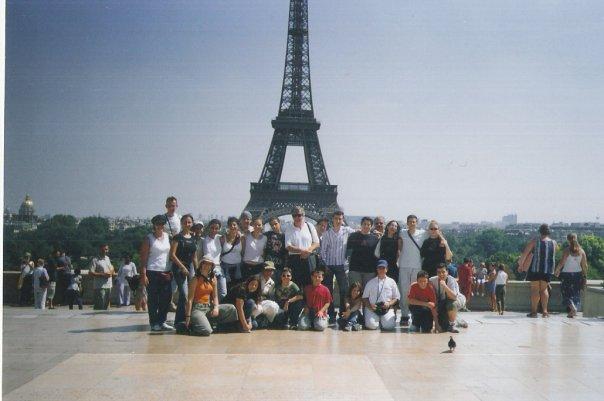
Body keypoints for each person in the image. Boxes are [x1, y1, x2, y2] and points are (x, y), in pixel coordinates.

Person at [185, 255, 238, 336]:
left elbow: (215, 296)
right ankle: (196, 326)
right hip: (198, 309)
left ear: (212, 266)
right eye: (204, 263)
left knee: (231, 309)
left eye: (209, 264)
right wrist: (188, 317)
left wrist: (216, 307)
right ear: (201, 265)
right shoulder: (195, 279)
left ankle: (215, 325)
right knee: (206, 331)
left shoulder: (213, 279)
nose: (206, 266)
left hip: (209, 307)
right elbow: (190, 300)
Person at [140, 214, 174, 332]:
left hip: (165, 271)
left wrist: (171, 272)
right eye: (158, 224)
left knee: (166, 298)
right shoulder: (148, 238)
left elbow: (171, 255)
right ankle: (154, 322)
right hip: (152, 272)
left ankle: (162, 321)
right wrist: (143, 275)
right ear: (154, 225)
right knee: (154, 299)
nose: (160, 226)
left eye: (162, 224)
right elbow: (143, 258)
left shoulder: (167, 237)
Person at [321, 210, 356, 322]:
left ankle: (342, 313)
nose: (338, 221)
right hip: (329, 265)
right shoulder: (327, 234)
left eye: (340, 219)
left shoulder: (347, 231)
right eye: (336, 218)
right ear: (333, 219)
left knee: (344, 291)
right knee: (328, 291)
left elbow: (360, 232)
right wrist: (325, 265)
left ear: (342, 219)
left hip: (342, 265)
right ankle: (331, 314)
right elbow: (323, 251)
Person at [519, 224, 557, 318]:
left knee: (535, 289)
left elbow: (525, 254)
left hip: (535, 268)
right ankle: (545, 311)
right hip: (547, 269)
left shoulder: (535, 241)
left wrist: (521, 265)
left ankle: (534, 312)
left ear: (540, 231)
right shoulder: (554, 243)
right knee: (544, 289)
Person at [398, 214, 428, 327]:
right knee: (404, 291)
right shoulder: (402, 232)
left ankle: (415, 314)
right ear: (407, 223)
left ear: (417, 223)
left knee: (415, 292)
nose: (412, 223)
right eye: (410, 221)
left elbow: (435, 232)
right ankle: (405, 315)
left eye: (414, 222)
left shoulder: (423, 233)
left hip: (416, 266)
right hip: (404, 265)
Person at [170, 214, 198, 333]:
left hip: (189, 267)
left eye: (189, 222)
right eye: (186, 222)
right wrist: (181, 267)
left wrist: (198, 272)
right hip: (178, 267)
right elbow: (172, 255)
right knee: (184, 294)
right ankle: (182, 320)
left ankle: (180, 320)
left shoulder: (192, 238)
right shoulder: (177, 237)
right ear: (182, 223)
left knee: (188, 295)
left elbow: (194, 257)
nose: (188, 224)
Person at [284, 206, 320, 288]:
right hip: (295, 260)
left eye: (299, 215)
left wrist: (308, 251)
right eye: (294, 215)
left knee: (311, 284)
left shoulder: (310, 226)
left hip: (309, 258)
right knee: (296, 284)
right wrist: (303, 251)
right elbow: (288, 246)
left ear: (303, 215)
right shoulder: (289, 228)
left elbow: (317, 242)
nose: (297, 217)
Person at [554, 233, 588, 318]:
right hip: (578, 274)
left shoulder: (567, 250)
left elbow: (562, 262)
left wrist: (557, 270)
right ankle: (573, 310)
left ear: (568, 240)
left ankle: (573, 308)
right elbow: (585, 266)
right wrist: (585, 276)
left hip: (567, 274)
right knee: (575, 293)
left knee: (566, 292)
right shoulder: (582, 251)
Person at [362, 259, 400, 331]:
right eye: (379, 268)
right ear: (377, 269)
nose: (381, 270)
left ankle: (384, 320)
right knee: (371, 326)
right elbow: (364, 298)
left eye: (383, 268)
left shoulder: (392, 282)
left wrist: (389, 304)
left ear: (387, 269)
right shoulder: (370, 282)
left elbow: (396, 297)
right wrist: (370, 306)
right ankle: (377, 321)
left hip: (386, 308)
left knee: (389, 327)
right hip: (372, 308)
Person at [430, 263, 463, 333]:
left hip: (457, 300)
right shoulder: (433, 280)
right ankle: (458, 320)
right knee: (444, 325)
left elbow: (454, 297)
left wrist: (445, 286)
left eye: (443, 272)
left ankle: (452, 325)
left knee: (451, 304)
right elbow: (422, 281)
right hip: (443, 301)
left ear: (447, 272)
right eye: (439, 272)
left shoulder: (451, 280)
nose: (441, 274)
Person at [347, 217, 379, 287]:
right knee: (355, 292)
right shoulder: (353, 236)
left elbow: (377, 255)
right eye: (364, 224)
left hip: (369, 271)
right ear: (361, 225)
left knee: (367, 294)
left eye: (368, 224)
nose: (366, 226)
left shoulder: (375, 239)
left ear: (371, 226)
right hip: (355, 269)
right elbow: (348, 252)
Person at [203, 219, 226, 300]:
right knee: (211, 292)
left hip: (219, 267)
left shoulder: (220, 238)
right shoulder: (205, 240)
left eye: (216, 228)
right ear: (209, 227)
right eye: (212, 228)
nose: (214, 230)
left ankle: (217, 308)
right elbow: (207, 256)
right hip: (210, 268)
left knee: (223, 292)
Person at [88, 244, 115, 310]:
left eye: (107, 249)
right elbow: (91, 273)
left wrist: (111, 272)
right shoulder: (95, 260)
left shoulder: (107, 258)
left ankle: (105, 320)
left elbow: (112, 268)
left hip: (108, 285)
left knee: (106, 306)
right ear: (100, 249)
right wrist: (102, 274)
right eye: (105, 249)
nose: (106, 251)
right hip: (99, 286)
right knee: (99, 306)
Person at [254, 261, 280, 327]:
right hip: (254, 301)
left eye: (271, 270)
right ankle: (250, 320)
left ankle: (267, 322)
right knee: (258, 309)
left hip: (263, 301)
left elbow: (270, 297)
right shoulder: (256, 278)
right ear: (263, 269)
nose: (269, 272)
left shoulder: (272, 282)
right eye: (267, 270)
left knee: (274, 306)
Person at [221, 217, 243, 287]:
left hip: (238, 267)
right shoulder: (222, 238)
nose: (232, 227)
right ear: (228, 226)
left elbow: (243, 253)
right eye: (230, 225)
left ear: (238, 226)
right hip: (225, 266)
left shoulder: (242, 238)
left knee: (236, 287)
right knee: (225, 288)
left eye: (234, 225)